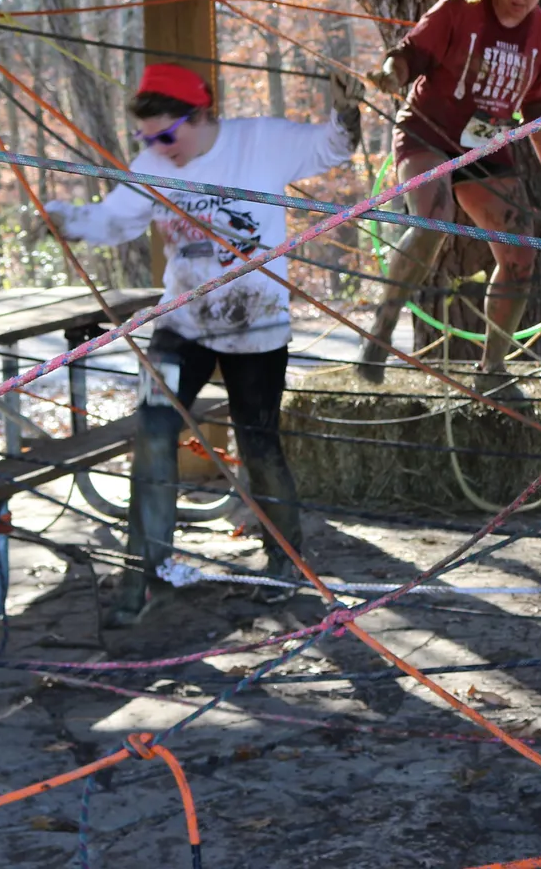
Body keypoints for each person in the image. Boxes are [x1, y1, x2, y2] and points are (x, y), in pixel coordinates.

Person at [45, 62, 361, 624]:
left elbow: (332, 148)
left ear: (199, 116)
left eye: (167, 134)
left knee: (259, 444)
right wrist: (68, 220)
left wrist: (346, 110)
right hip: (183, 323)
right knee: (154, 430)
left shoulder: (260, 141)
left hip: (256, 324)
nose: (159, 148)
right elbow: (116, 221)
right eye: (147, 138)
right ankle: (148, 572)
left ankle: (282, 562)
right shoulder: (152, 163)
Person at [355, 0, 541, 393]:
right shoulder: (459, 10)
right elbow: (408, 57)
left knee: (520, 250)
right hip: (427, 132)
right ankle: (379, 334)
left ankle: (493, 368)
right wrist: (387, 75)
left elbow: (537, 110)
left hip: (485, 143)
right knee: (434, 221)